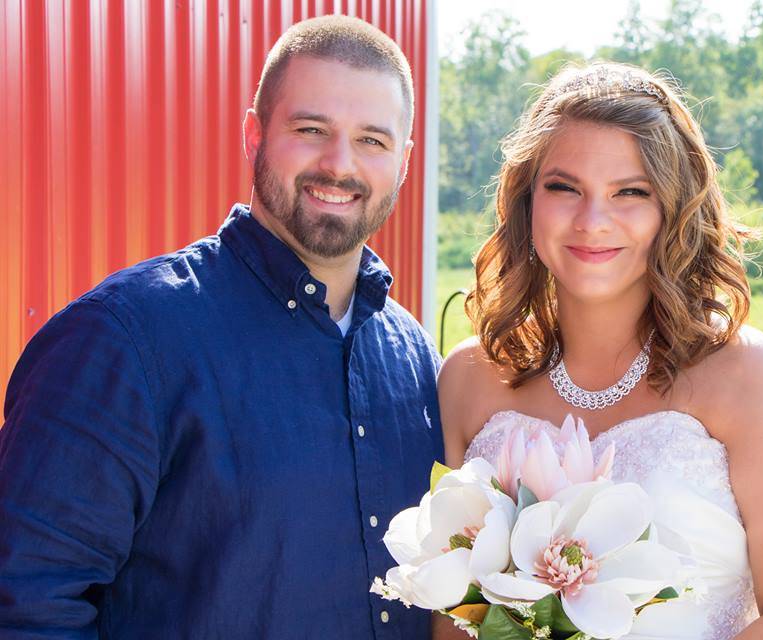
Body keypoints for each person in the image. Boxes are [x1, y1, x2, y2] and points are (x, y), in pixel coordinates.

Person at [0, 15, 443, 639]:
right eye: (311, 129)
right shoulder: (124, 340)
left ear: (403, 162)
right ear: (253, 134)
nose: (339, 165)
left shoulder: (414, 356)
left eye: (372, 139)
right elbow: (28, 605)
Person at [436, 63, 763, 639]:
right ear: (527, 202)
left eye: (630, 191)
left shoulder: (747, 376)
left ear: (672, 209)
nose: (592, 220)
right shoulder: (469, 378)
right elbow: (454, 615)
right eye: (564, 187)